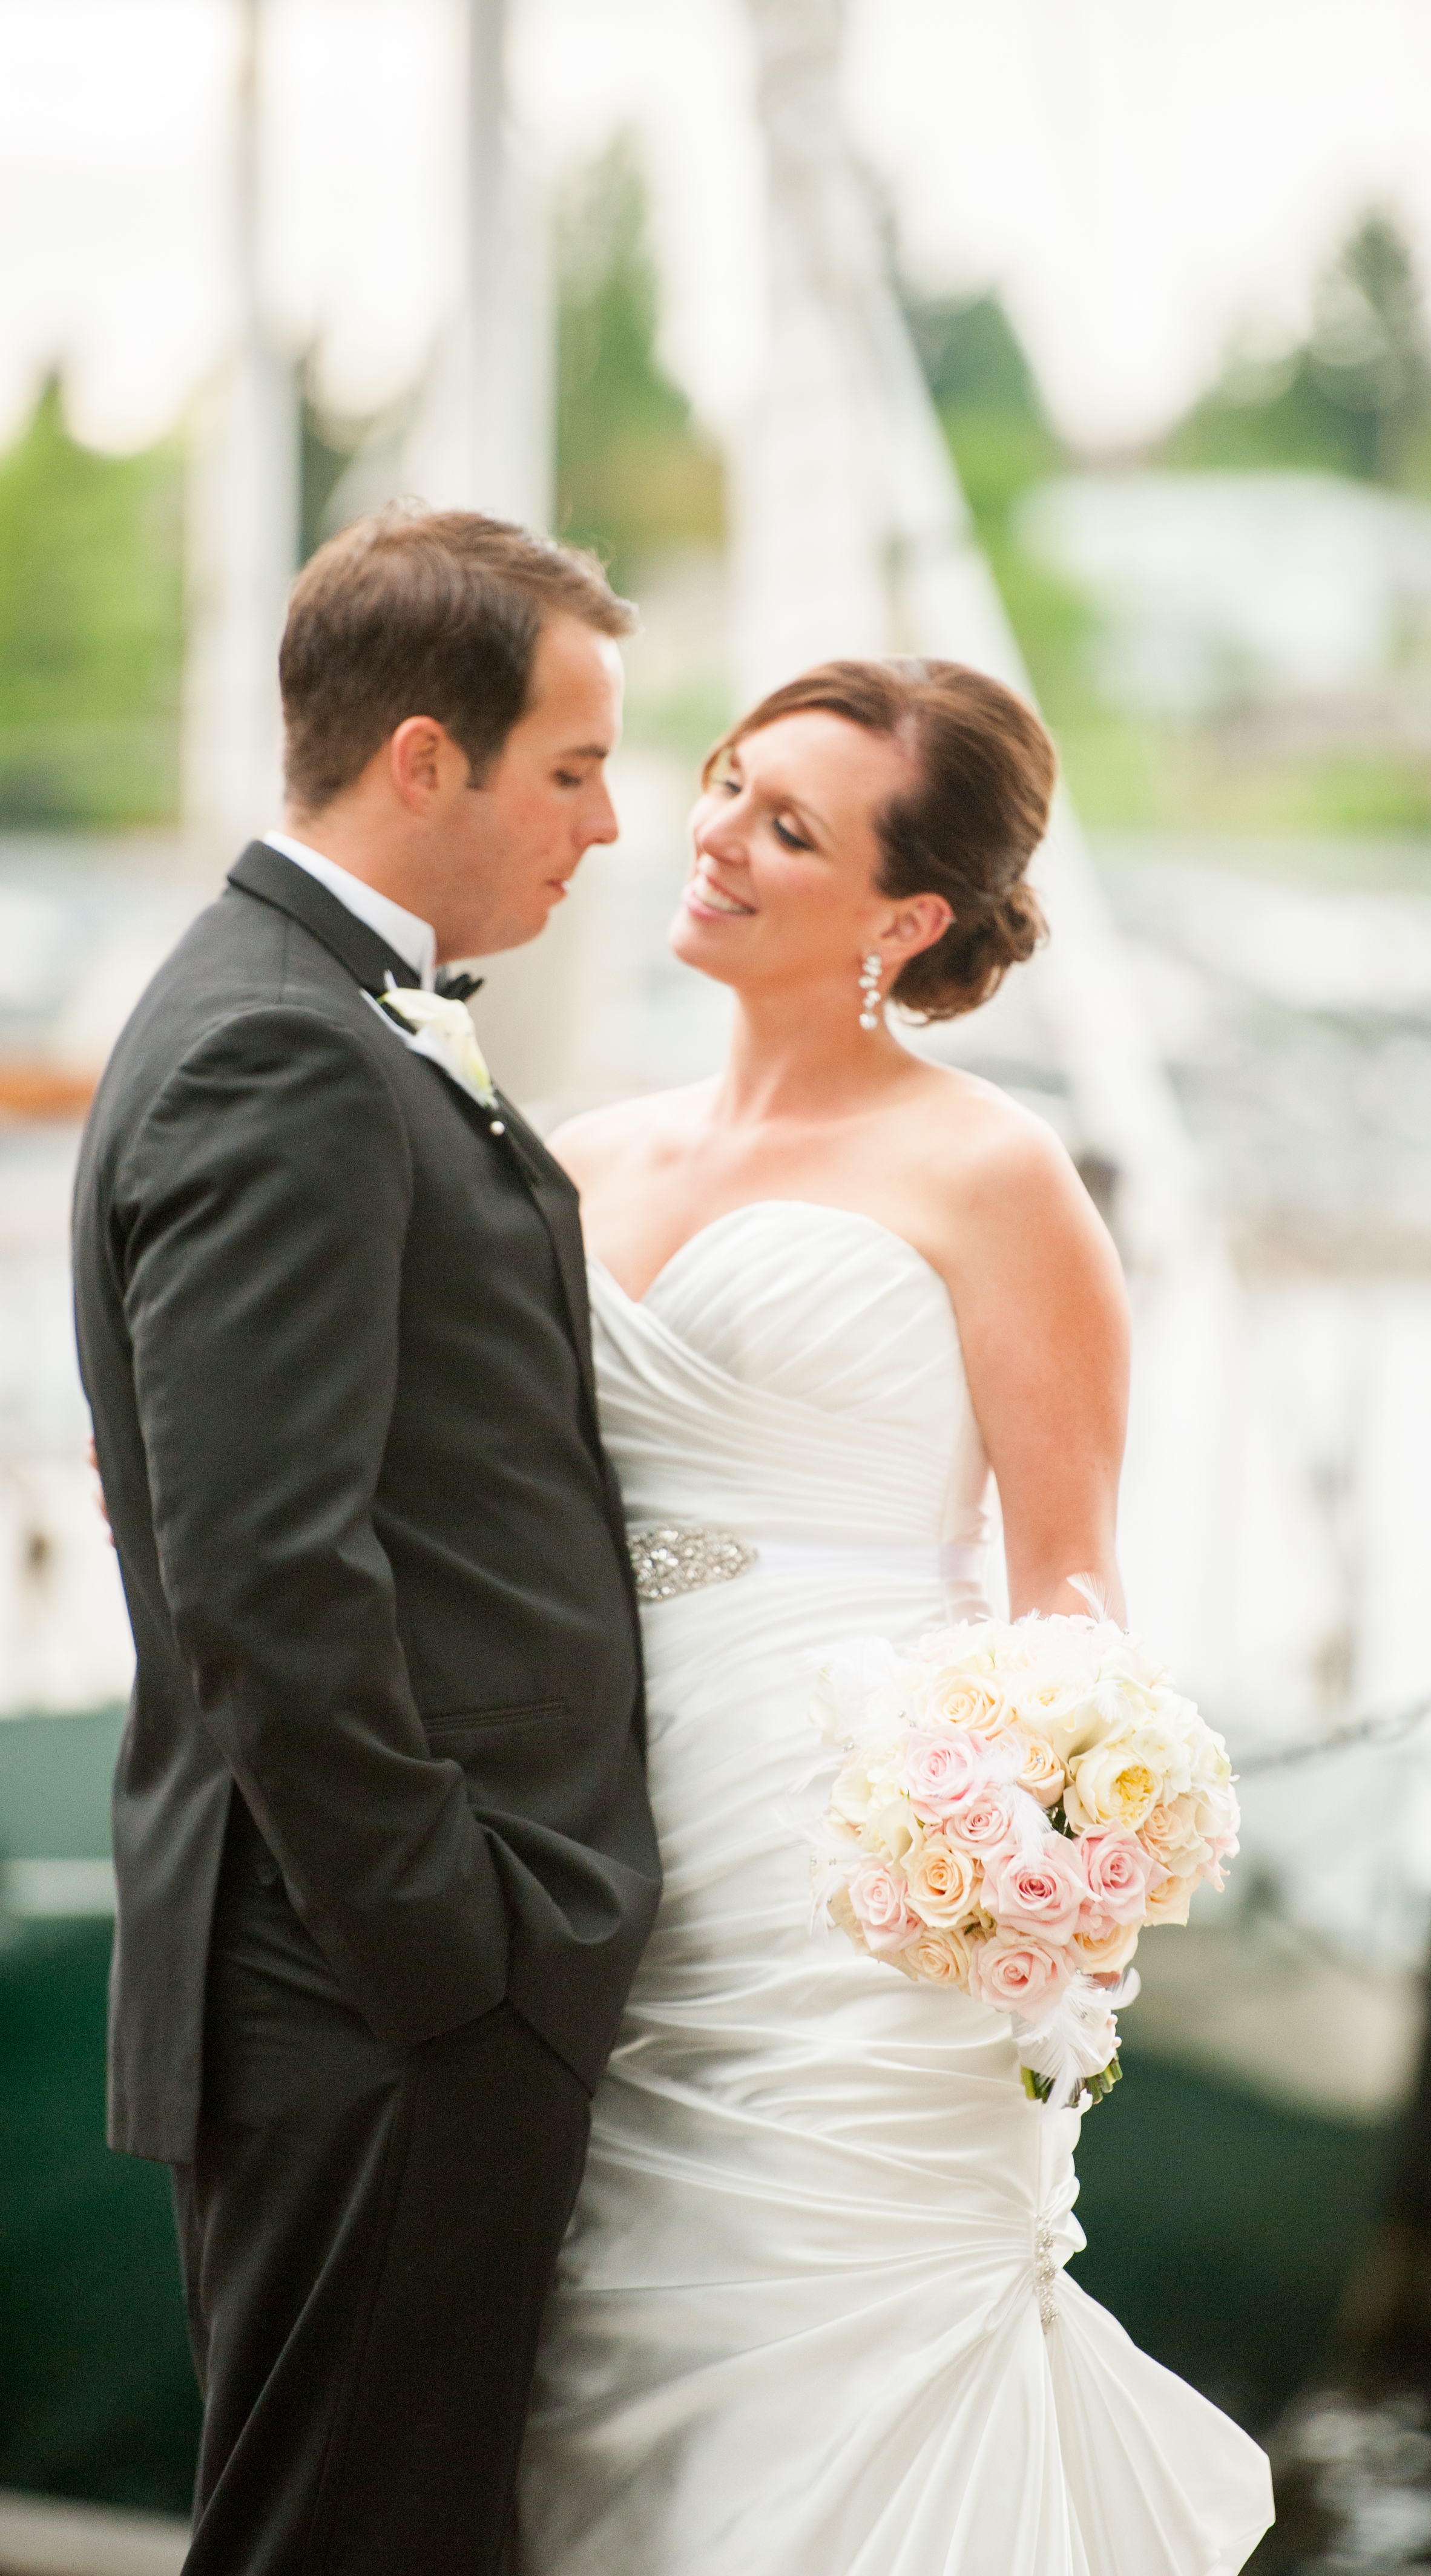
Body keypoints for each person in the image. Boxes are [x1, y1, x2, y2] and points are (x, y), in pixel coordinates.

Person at [518, 658, 1274, 2573]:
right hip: (606, 1850)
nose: (714, 839)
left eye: (791, 827)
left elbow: (1072, 1582)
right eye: (725, 786)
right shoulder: (577, 1160)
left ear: (908, 916)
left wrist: (1032, 1867)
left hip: (867, 1896)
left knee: (838, 2365)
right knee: (606, 2373)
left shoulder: (993, 1173)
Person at [73, 504, 661, 2576]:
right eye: (576, 768)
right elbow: (267, 1573)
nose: (609, 825)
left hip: (383, 1977)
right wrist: (453, 1954)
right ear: (428, 758)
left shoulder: (332, 1003)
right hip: (369, 1984)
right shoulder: (279, 1045)